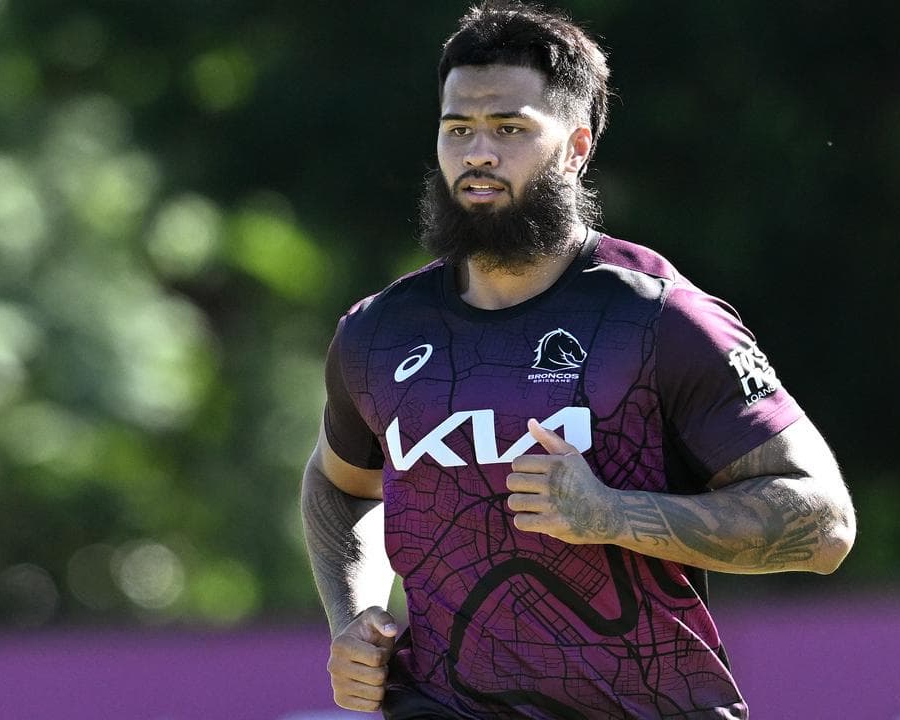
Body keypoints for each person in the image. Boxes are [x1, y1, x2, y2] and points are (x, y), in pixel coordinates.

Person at [301, 2, 856, 717]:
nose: (478, 153)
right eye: (458, 129)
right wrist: (354, 616)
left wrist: (611, 514)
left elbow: (824, 526)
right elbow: (338, 484)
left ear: (577, 146)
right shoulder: (377, 334)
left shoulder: (659, 319)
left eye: (510, 129)